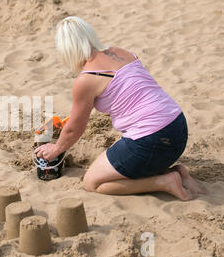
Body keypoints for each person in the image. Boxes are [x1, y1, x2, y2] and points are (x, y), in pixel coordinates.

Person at [34, 16, 204, 201]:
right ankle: (178, 171)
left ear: (66, 50)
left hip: (152, 139)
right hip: (177, 128)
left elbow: (75, 128)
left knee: (92, 183)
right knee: (138, 158)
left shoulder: (86, 79)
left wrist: (56, 149)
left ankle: (165, 181)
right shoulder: (121, 52)